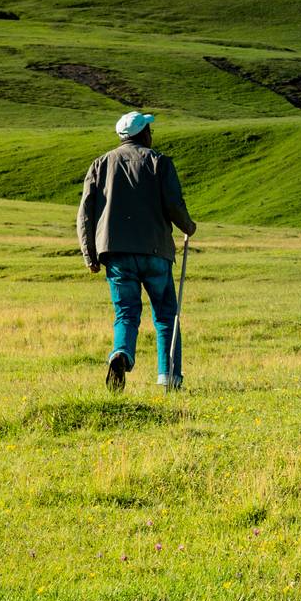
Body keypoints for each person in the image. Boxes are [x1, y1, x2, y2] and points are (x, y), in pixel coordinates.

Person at [77, 111, 198, 392]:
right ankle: (168, 377)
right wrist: (188, 226)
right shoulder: (159, 162)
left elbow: (85, 213)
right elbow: (174, 204)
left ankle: (121, 353)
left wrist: (89, 254)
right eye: (149, 131)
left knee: (126, 313)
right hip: (155, 250)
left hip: (116, 252)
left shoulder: (100, 164)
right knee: (166, 314)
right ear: (143, 134)